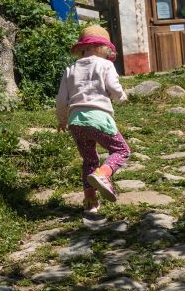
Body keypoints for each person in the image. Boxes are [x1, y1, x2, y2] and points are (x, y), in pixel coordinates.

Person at [55, 24, 129, 212]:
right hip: (99, 117)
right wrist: (121, 97)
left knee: (89, 159)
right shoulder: (105, 65)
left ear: (81, 48)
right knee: (121, 150)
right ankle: (104, 174)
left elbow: (61, 99)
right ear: (104, 48)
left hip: (76, 121)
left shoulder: (70, 68)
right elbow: (113, 86)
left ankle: (90, 203)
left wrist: (62, 120)